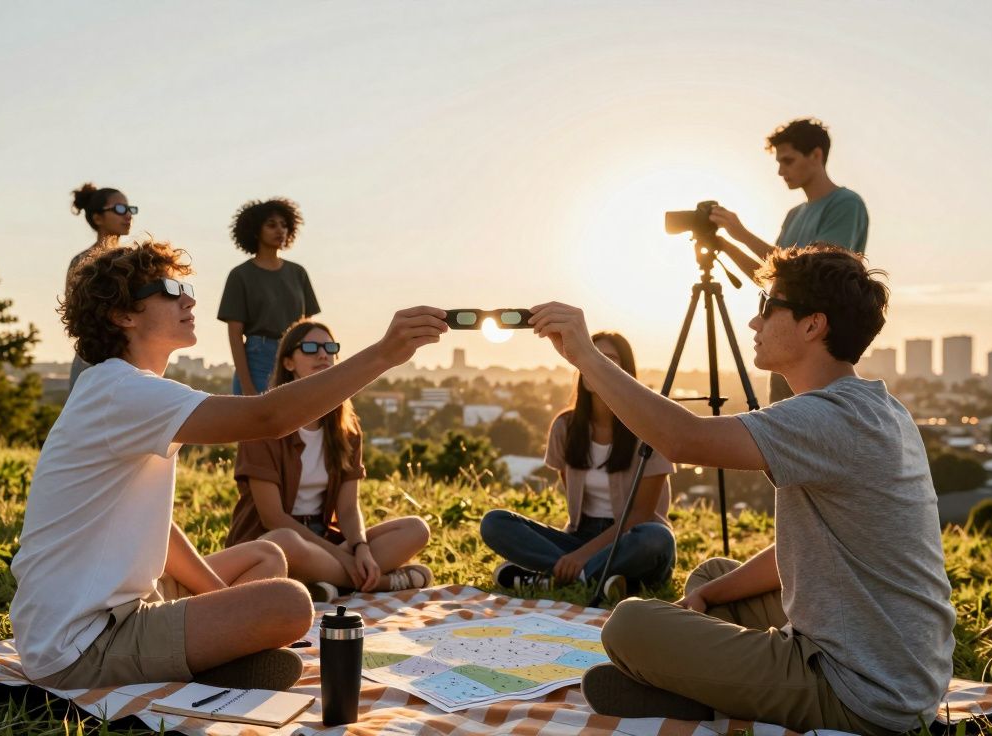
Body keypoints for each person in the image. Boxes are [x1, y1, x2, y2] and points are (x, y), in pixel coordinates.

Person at [528, 245, 955, 736]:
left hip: (864, 691)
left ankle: (706, 696)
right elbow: (805, 552)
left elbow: (683, 439)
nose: (754, 322)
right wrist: (709, 595)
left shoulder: (828, 417)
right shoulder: (876, 407)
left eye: (767, 305)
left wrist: (585, 356)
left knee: (627, 626)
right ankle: (706, 688)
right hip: (899, 661)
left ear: (813, 325)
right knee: (712, 579)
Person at [9, 238, 446, 693]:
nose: (189, 298)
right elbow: (268, 417)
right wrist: (384, 353)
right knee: (290, 602)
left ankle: (203, 657)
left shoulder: (123, 389)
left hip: (111, 609)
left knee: (265, 555)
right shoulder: (123, 391)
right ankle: (200, 662)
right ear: (123, 315)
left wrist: (223, 604)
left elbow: (160, 530)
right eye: (169, 288)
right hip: (81, 644)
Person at [228, 320, 433, 602]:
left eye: (330, 348)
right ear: (288, 363)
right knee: (284, 542)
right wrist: (342, 557)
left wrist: (359, 547)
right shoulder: (263, 426)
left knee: (415, 529)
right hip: (271, 541)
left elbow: (348, 508)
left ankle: (325, 584)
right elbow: (272, 518)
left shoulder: (346, 429)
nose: (323, 354)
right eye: (311, 348)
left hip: (325, 541)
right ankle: (377, 582)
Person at [480, 331, 676, 601]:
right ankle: (599, 577)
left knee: (656, 538)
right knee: (495, 522)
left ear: (626, 371)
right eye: (592, 359)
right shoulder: (565, 427)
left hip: (632, 539)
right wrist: (579, 550)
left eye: (609, 360)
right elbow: (569, 489)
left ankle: (552, 577)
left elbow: (641, 515)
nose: (598, 367)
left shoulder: (649, 427)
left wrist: (581, 556)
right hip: (579, 536)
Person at [710, 118, 870, 403]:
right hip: (784, 343)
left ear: (816, 155)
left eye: (788, 160)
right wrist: (724, 244)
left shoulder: (845, 204)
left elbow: (811, 273)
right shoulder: (794, 215)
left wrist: (742, 234)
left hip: (817, 352)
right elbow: (773, 277)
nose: (781, 171)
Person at [218, 198, 320, 395]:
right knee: (257, 424)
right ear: (256, 230)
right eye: (271, 225)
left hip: (296, 355)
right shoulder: (240, 275)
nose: (280, 230)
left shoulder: (298, 273)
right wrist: (247, 386)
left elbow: (308, 327)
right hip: (258, 359)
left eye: (284, 225)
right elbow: (235, 335)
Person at [67, 182, 136, 390]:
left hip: (132, 359)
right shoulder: (81, 262)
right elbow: (75, 317)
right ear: (97, 218)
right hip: (92, 361)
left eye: (130, 209)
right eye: (119, 209)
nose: (128, 215)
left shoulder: (135, 261)